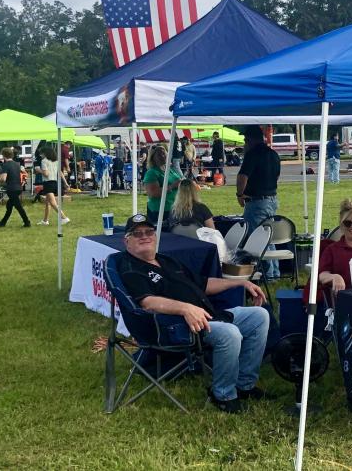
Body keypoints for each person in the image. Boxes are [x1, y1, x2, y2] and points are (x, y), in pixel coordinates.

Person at [118, 213, 269, 413]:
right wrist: (186, 308)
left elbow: (203, 284)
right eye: (137, 234)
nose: (144, 236)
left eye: (148, 232)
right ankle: (223, 394)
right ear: (126, 241)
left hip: (204, 315)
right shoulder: (130, 268)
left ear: (155, 236)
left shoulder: (166, 261)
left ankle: (244, 385)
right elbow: (148, 303)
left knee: (259, 316)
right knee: (229, 333)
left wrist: (240, 282)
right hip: (173, 326)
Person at [237, 126, 281, 280]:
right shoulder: (274, 154)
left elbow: (242, 176)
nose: (244, 143)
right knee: (268, 236)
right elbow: (276, 177)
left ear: (250, 140)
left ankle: (268, 274)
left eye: (245, 140)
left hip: (257, 202)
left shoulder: (252, 154)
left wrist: (240, 194)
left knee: (257, 237)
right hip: (272, 199)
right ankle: (274, 272)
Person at [142, 145, 182, 225]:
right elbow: (153, 193)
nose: (162, 156)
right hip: (159, 211)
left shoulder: (171, 170)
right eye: (159, 154)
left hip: (175, 208)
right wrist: (172, 186)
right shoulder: (152, 173)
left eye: (164, 153)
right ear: (153, 158)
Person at [0, 147, 31, 227]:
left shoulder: (6, 165)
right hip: (18, 187)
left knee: (18, 207)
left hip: (11, 188)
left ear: (4, 155)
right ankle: (3, 222)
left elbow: (3, 178)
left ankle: (27, 222)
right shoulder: (17, 164)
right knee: (9, 205)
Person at [35, 146, 69, 226]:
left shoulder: (44, 161)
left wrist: (38, 170)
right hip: (54, 182)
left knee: (53, 203)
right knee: (48, 203)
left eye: (41, 153)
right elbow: (60, 173)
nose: (40, 155)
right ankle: (45, 221)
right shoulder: (56, 161)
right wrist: (66, 183)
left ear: (45, 153)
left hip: (48, 183)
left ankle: (64, 218)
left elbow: (46, 174)